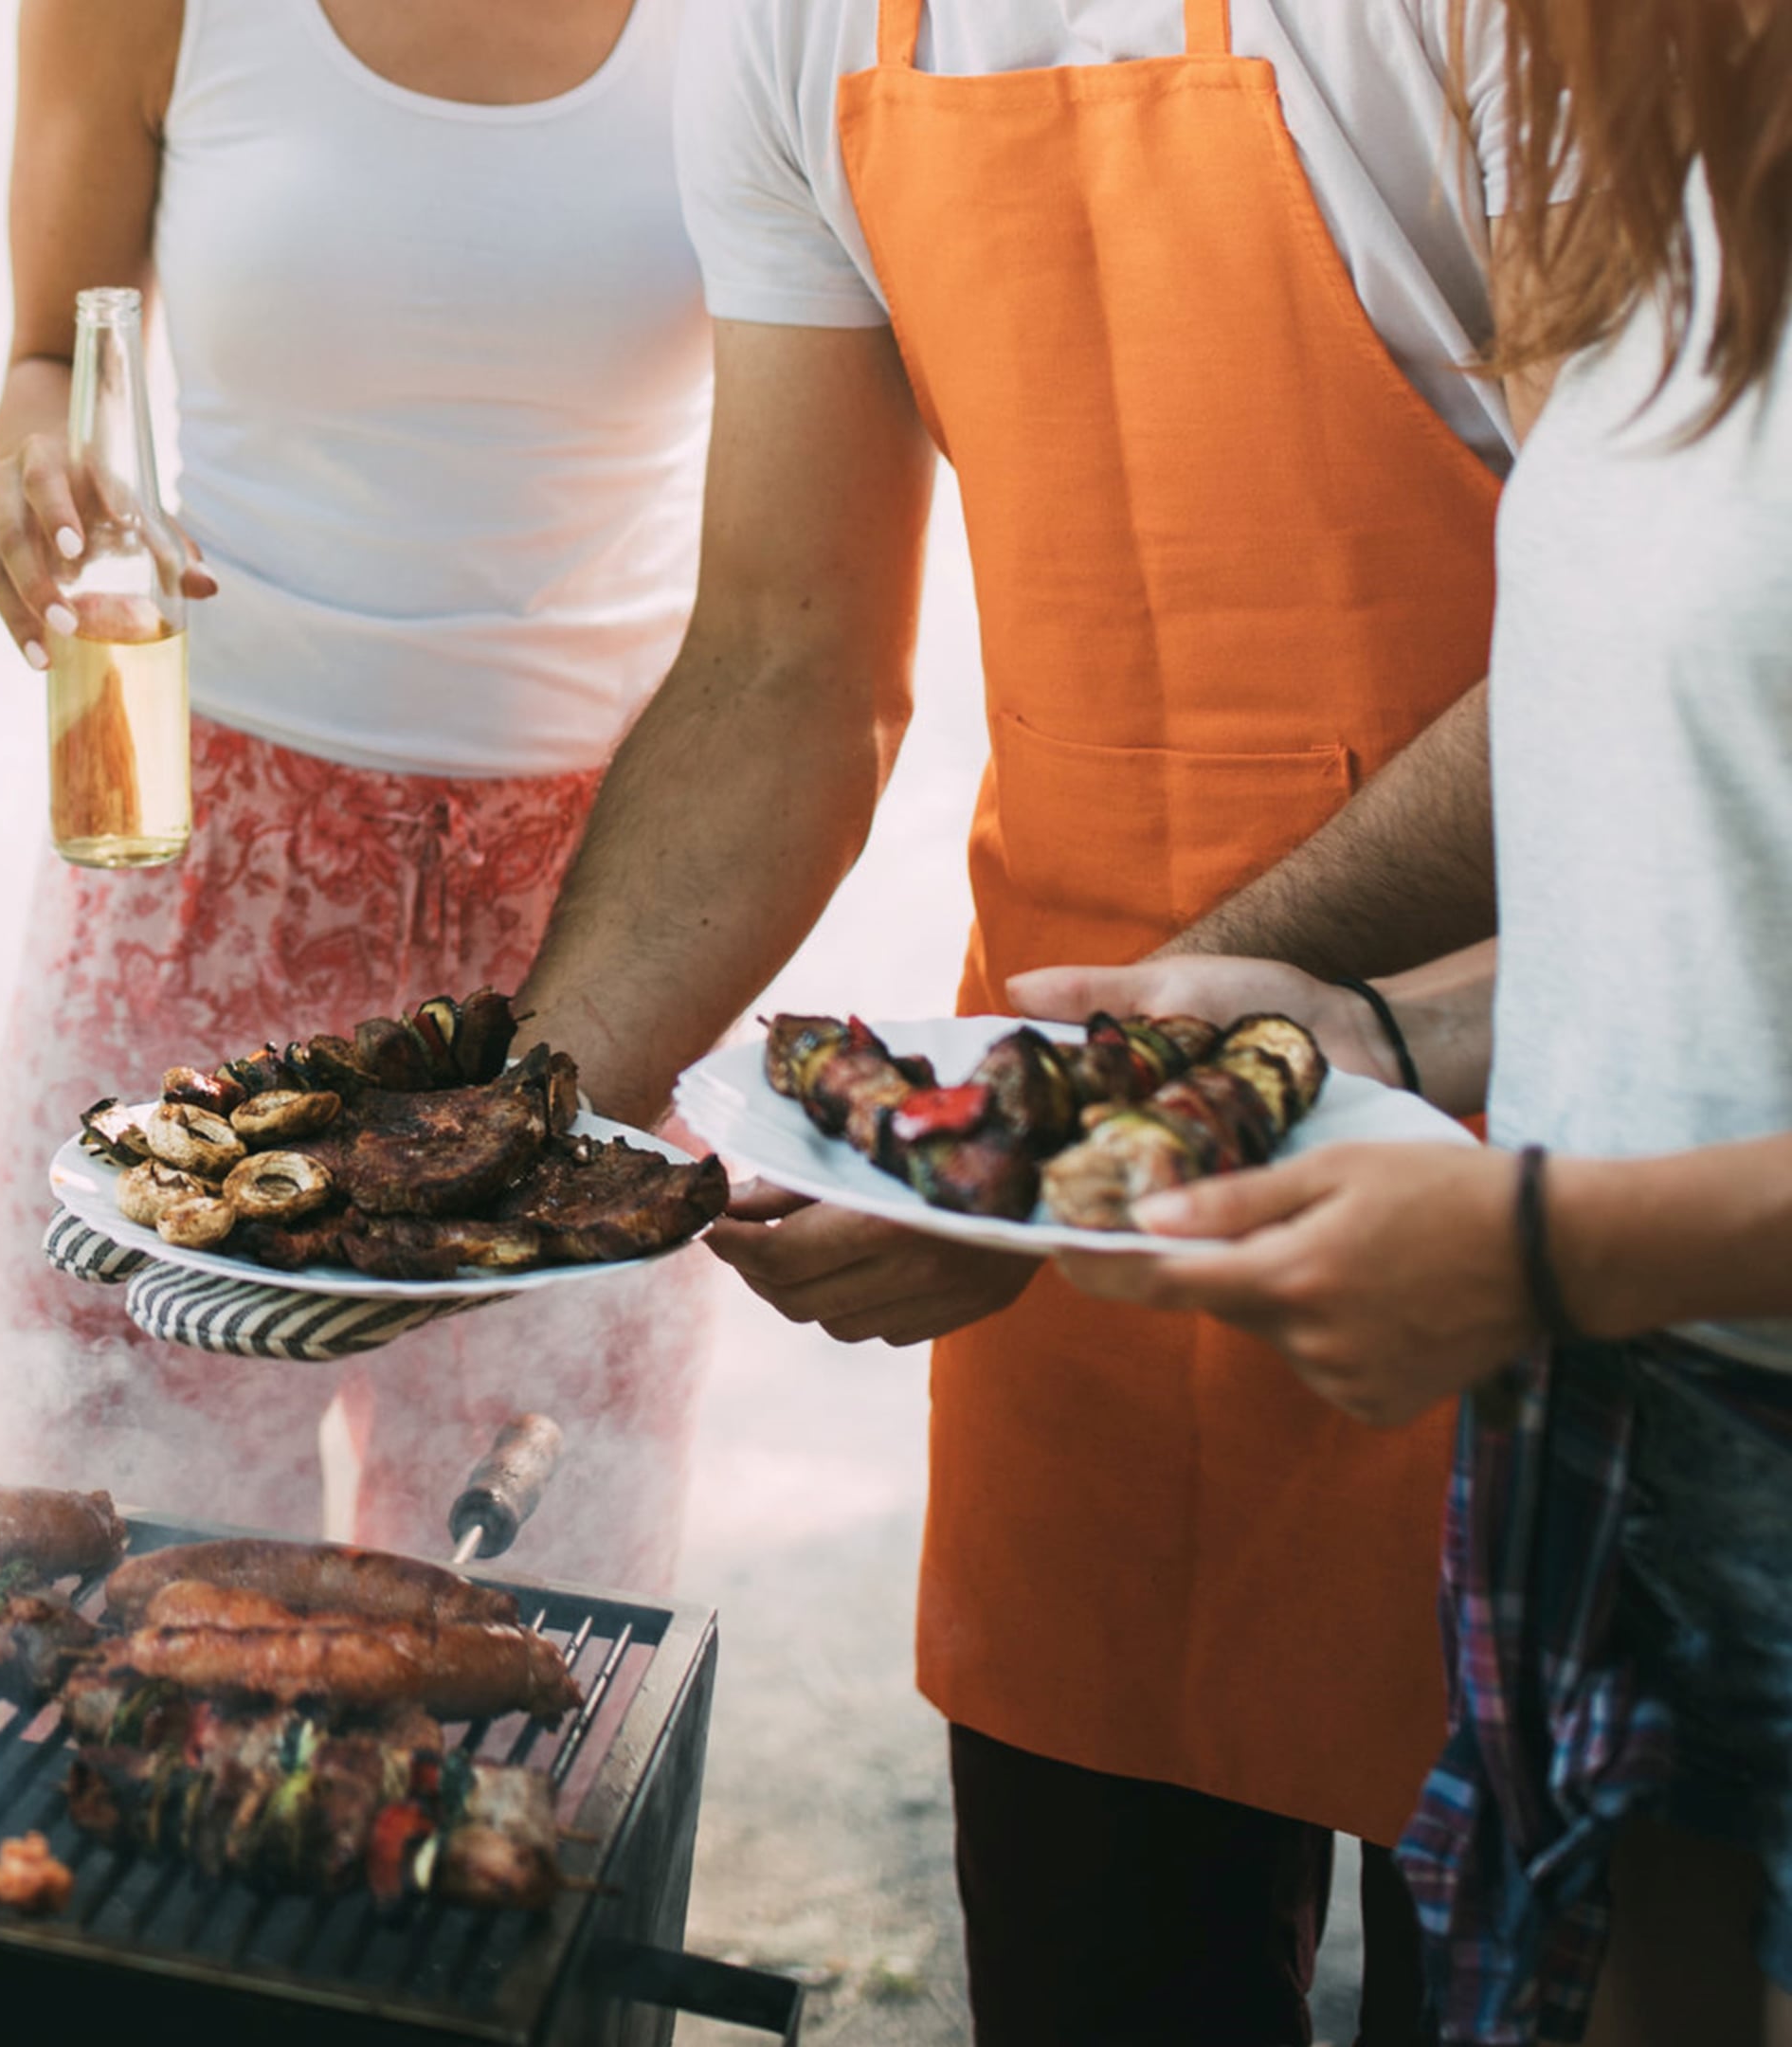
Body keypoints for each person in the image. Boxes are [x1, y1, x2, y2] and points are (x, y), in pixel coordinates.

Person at [498, 0, 1552, 2034]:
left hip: (1507, 1112)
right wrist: (502, 1144)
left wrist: (1061, 1119)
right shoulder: (792, 32)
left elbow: (1644, 639)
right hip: (1055, 1207)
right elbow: (789, 663)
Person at [1031, 0, 1792, 2035]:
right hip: (1628, 1429)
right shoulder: (1695, 229)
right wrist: (1370, 1028)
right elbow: (1712, 909)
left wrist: (1546, 1242)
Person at [0, 0, 719, 1589]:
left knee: (523, 1600)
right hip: (202, 866)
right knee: (130, 1576)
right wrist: (35, 479)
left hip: (609, 899)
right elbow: (49, 355)